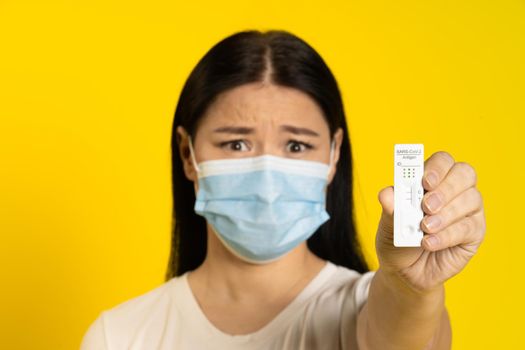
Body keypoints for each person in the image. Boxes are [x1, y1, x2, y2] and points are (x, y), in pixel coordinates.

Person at [80, 29, 486, 350]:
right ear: (188, 155)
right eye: (236, 144)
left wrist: (410, 284)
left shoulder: (362, 308)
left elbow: (403, 337)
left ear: (332, 156)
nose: (268, 178)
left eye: (296, 145)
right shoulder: (118, 336)